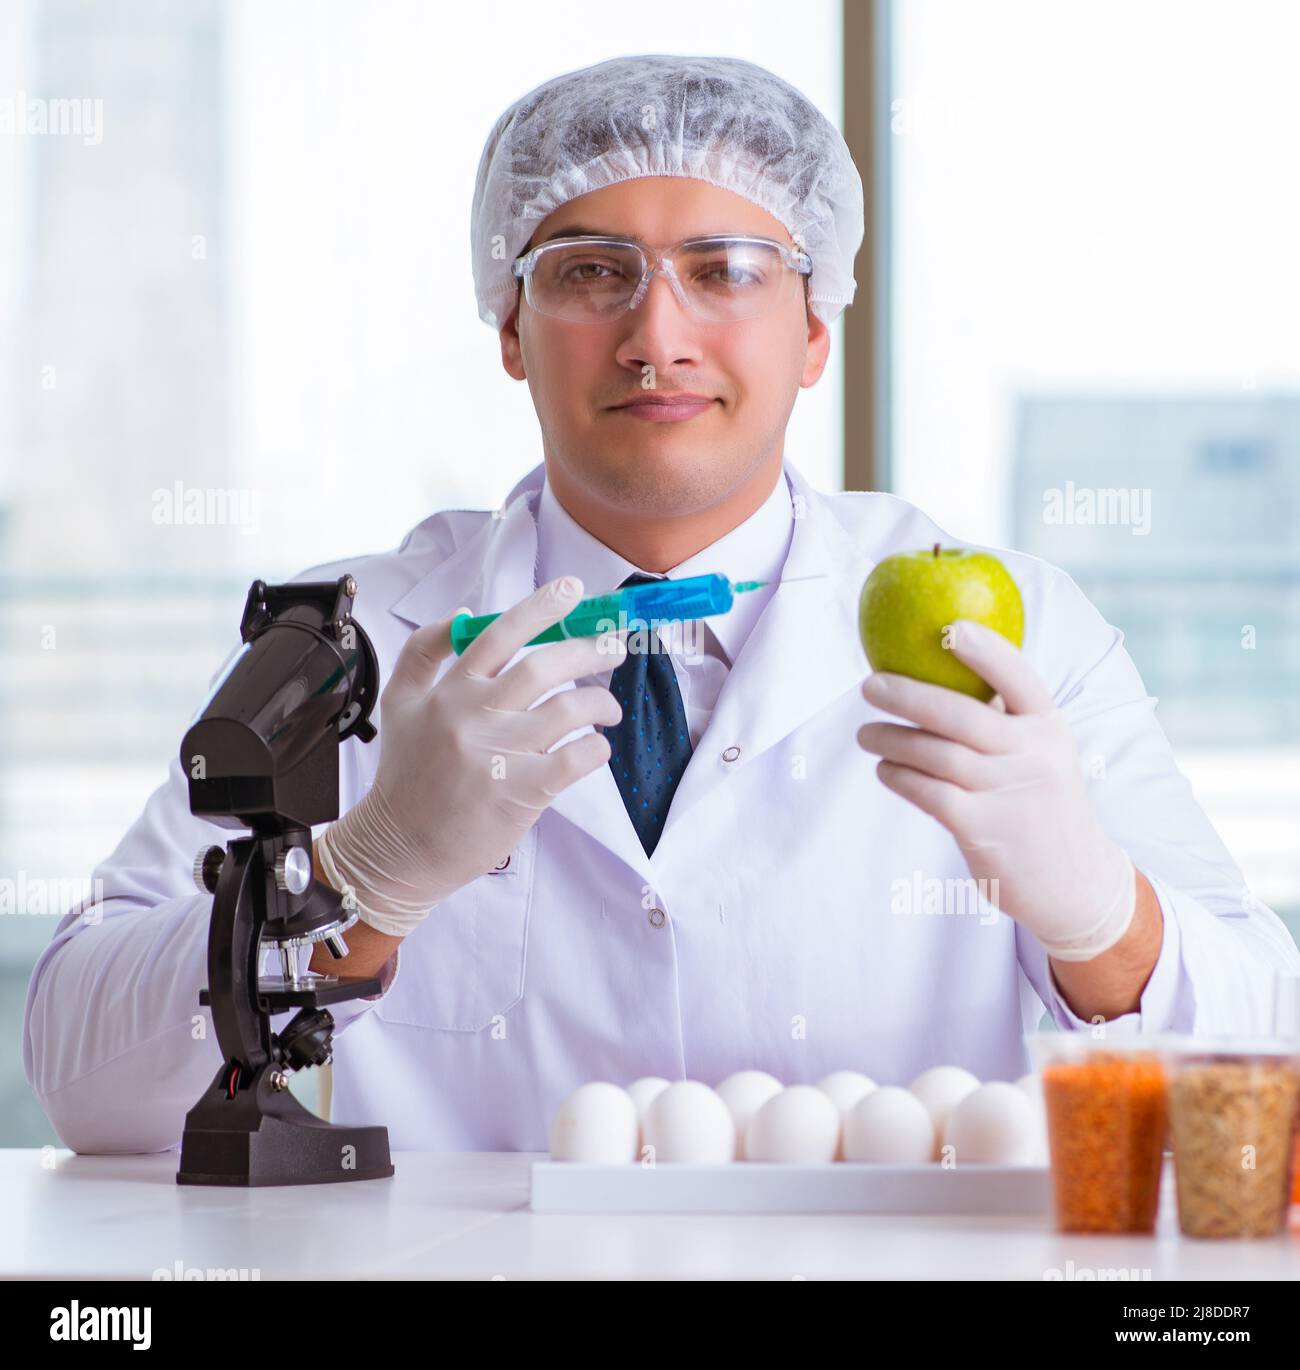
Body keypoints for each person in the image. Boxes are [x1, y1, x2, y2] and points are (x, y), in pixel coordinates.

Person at [24, 54, 1299, 1154]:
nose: (656, 335)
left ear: (816, 328)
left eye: (726, 268)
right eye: (590, 273)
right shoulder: (349, 640)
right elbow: (83, 1079)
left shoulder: (1018, 632)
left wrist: (1099, 916)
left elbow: (1263, 1060)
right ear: (510, 325)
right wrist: (355, 884)